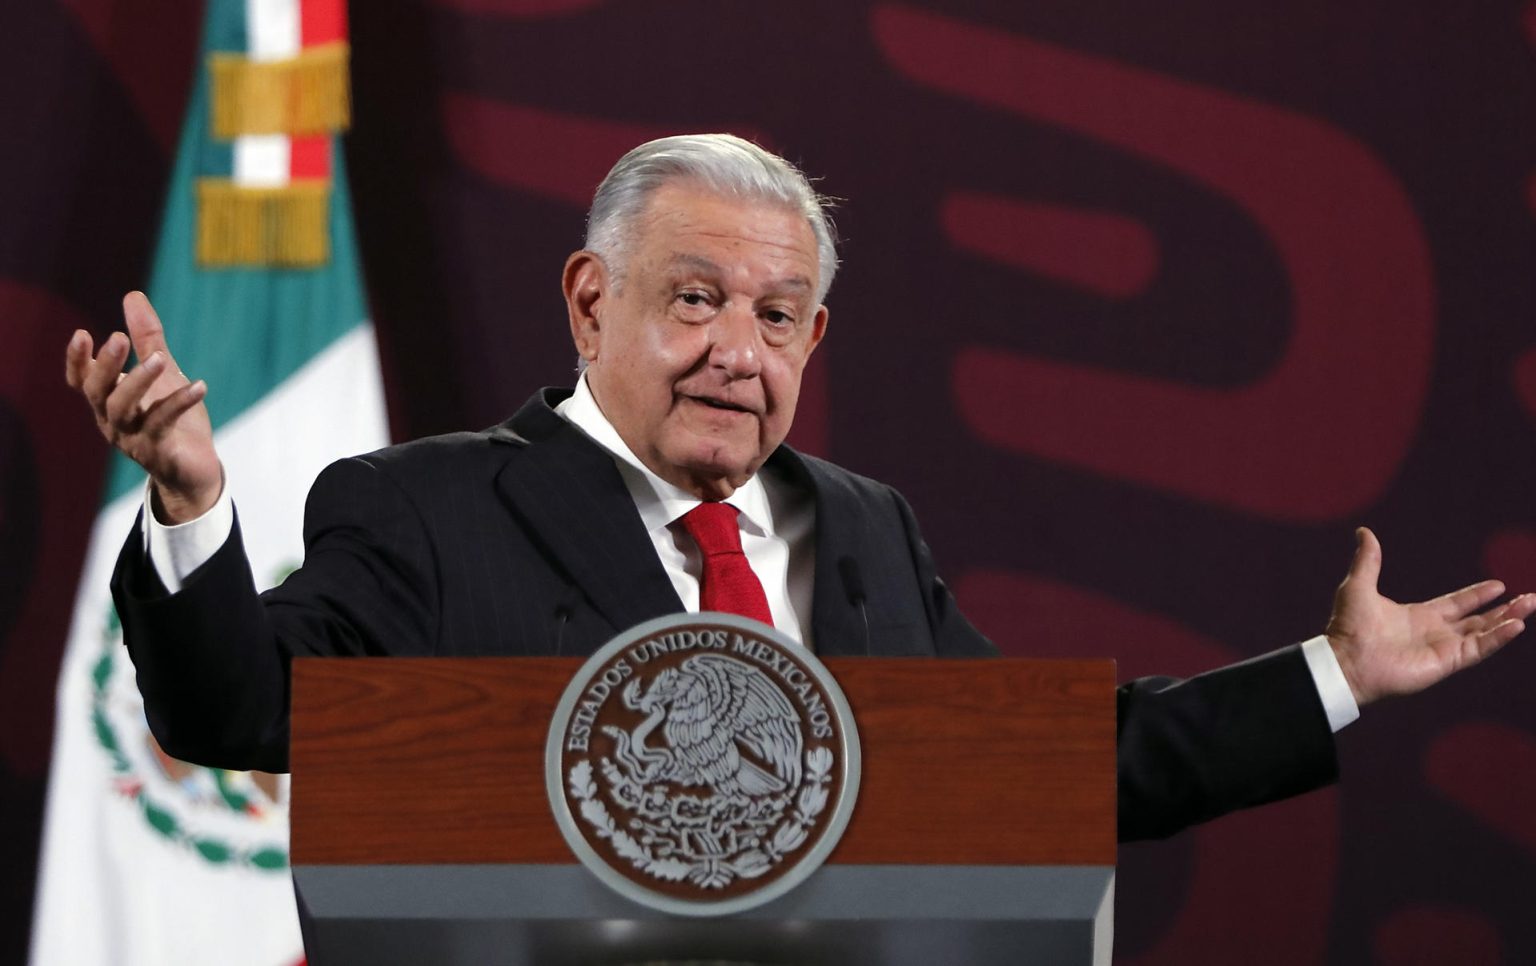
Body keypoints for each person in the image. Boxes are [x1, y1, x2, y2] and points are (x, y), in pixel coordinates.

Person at [65, 134, 1533, 841]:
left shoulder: (866, 527)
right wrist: (195, 502)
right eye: (693, 298)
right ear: (589, 303)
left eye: (777, 317)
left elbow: (1041, 765)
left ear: (815, 340)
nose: (735, 352)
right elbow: (237, 707)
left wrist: (1336, 673)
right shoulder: (430, 506)